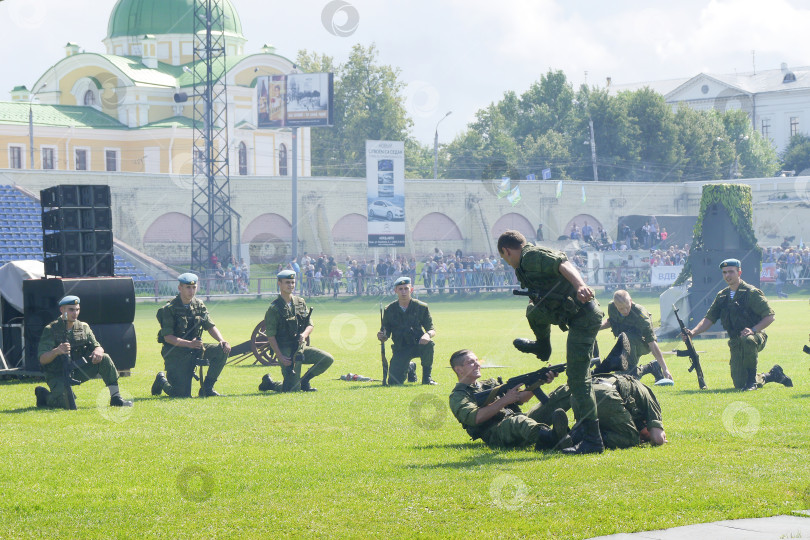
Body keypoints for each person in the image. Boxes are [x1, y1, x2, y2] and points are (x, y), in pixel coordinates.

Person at [498, 230, 604, 454]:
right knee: (533, 312)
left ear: (506, 251)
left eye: (504, 258)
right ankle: (542, 346)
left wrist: (580, 286)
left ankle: (593, 440)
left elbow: (562, 264)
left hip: (583, 316)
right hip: (569, 314)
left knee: (578, 379)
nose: (506, 263)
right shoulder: (523, 268)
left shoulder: (530, 256)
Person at [683, 259, 792, 391]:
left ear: (739, 272)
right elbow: (709, 319)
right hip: (736, 341)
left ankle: (752, 382)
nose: (727, 275)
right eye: (724, 273)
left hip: (756, 336)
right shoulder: (722, 296)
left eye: (731, 272)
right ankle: (772, 375)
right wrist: (693, 332)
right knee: (739, 384)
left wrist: (753, 330)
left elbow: (770, 316)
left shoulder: (751, 293)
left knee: (748, 340)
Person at [448, 349, 567, 450]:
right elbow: (475, 418)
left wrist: (539, 381)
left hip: (519, 420)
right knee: (518, 420)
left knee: (560, 394)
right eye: (470, 362)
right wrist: (504, 400)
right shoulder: (458, 396)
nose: (477, 364)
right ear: (459, 370)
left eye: (476, 360)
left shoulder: (489, 384)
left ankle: (579, 431)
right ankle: (551, 439)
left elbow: (520, 398)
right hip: (496, 432)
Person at [34, 295, 133, 409]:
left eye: (77, 309)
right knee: (66, 403)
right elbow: (42, 359)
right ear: (62, 310)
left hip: (77, 370)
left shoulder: (83, 327)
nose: (75, 313)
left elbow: (97, 346)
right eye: (71, 309)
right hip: (57, 374)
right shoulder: (51, 329)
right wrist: (57, 351)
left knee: (104, 357)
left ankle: (116, 398)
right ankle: (44, 395)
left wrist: (98, 351)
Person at [528, 373, 667, 450]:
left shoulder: (628, 389)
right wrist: (655, 438)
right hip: (606, 395)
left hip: (580, 395)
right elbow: (657, 438)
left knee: (595, 427)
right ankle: (580, 437)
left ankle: (553, 438)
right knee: (631, 439)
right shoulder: (649, 397)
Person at [152, 273, 231, 398]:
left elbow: (210, 326)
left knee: (222, 350)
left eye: (194, 288)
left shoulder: (198, 304)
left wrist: (222, 340)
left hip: (194, 350)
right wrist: (189, 344)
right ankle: (161, 381)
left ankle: (207, 389)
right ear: (180, 288)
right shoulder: (169, 308)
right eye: (188, 287)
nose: (191, 291)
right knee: (181, 394)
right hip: (175, 354)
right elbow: (168, 337)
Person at [259, 270, 334, 392]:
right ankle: (271, 384)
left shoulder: (300, 302)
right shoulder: (274, 308)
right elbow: (271, 336)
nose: (291, 285)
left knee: (327, 359)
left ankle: (304, 381)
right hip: (285, 351)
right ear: (279, 284)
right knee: (292, 390)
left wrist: (304, 335)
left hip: (300, 348)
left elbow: (310, 324)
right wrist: (281, 357)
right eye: (287, 282)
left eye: (293, 282)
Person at [599, 290, 673, 381]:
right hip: (624, 343)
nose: (625, 311)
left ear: (630, 300)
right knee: (621, 372)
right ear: (615, 305)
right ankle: (652, 367)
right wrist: (597, 327)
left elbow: (652, 342)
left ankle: (635, 372)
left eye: (627, 307)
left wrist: (665, 369)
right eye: (621, 309)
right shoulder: (612, 307)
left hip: (642, 344)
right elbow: (611, 321)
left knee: (627, 375)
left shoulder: (640, 314)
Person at [377, 276, 437, 385]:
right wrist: (382, 336)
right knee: (394, 383)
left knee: (429, 344)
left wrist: (427, 335)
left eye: (406, 288)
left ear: (411, 290)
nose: (403, 292)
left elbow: (432, 329)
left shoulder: (421, 307)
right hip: (401, 348)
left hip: (418, 344)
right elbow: (386, 333)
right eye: (400, 289)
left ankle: (427, 378)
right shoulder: (389, 310)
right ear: (395, 291)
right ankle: (410, 367)